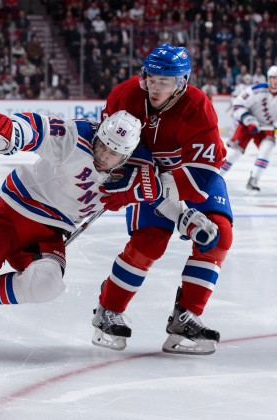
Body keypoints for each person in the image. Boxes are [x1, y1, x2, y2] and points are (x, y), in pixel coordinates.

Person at [0, 110, 220, 364]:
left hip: (50, 231)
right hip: (12, 209)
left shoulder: (136, 172)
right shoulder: (75, 136)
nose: (103, 155)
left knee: (47, 284)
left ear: (128, 154)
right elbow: (35, 130)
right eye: (102, 145)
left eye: (113, 153)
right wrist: (6, 132)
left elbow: (163, 197)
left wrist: (189, 218)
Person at [96, 44, 234, 355]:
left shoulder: (198, 107)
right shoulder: (125, 95)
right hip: (145, 171)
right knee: (150, 241)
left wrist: (178, 206)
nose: (154, 88)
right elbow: (109, 148)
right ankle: (109, 308)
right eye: (151, 79)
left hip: (189, 175)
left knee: (218, 235)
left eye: (164, 82)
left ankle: (187, 316)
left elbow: (203, 171)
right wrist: (128, 181)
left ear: (182, 82)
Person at [220, 66, 277, 194]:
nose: (275, 81)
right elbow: (238, 105)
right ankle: (215, 178)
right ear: (268, 79)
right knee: (233, 154)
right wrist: (248, 119)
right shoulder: (256, 90)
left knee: (267, 149)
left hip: (266, 128)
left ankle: (254, 179)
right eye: (273, 78)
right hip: (246, 125)